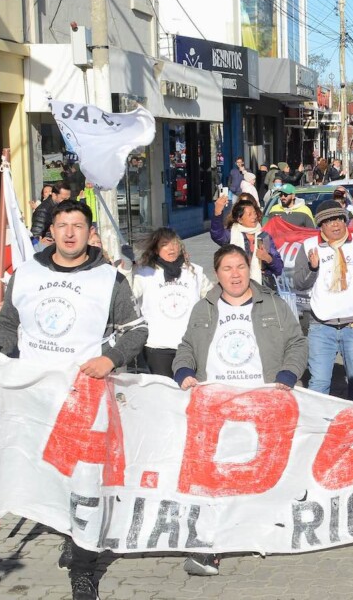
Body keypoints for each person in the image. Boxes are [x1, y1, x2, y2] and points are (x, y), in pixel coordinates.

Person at [0, 199, 147, 600]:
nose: (70, 232)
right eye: (62, 225)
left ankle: (84, 568)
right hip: (36, 397)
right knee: (50, 477)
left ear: (90, 231)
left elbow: (137, 330)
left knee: (85, 482)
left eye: (78, 225)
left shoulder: (109, 278)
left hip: (84, 398)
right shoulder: (26, 273)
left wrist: (109, 359)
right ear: (51, 231)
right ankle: (70, 534)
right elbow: (6, 323)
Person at [173, 244, 307, 576]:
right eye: (227, 269)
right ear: (217, 274)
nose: (235, 274)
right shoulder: (204, 309)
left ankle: (263, 533)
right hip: (218, 406)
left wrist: (288, 375)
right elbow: (187, 346)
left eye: (240, 267)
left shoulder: (274, 305)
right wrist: (183, 371)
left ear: (250, 270)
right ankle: (210, 548)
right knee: (217, 478)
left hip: (263, 402)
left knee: (260, 474)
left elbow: (297, 343)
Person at [293, 200, 353, 401]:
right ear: (320, 225)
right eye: (329, 221)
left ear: (345, 221)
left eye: (339, 219)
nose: (335, 225)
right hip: (322, 326)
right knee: (319, 383)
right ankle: (319, 427)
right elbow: (298, 283)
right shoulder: (309, 247)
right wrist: (312, 268)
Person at [132, 228, 213, 378]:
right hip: (157, 346)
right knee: (164, 393)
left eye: (175, 244)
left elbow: (212, 297)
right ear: (156, 249)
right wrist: (124, 272)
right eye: (165, 244)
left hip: (189, 345)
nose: (171, 248)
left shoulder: (194, 271)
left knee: (189, 392)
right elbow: (129, 296)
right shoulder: (145, 273)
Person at [210, 195, 283, 287]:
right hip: (237, 286)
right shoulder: (231, 235)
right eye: (249, 214)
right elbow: (217, 234)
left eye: (254, 213)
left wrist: (268, 258)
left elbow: (279, 268)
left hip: (262, 288)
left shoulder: (264, 236)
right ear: (240, 219)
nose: (254, 217)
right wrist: (217, 212)